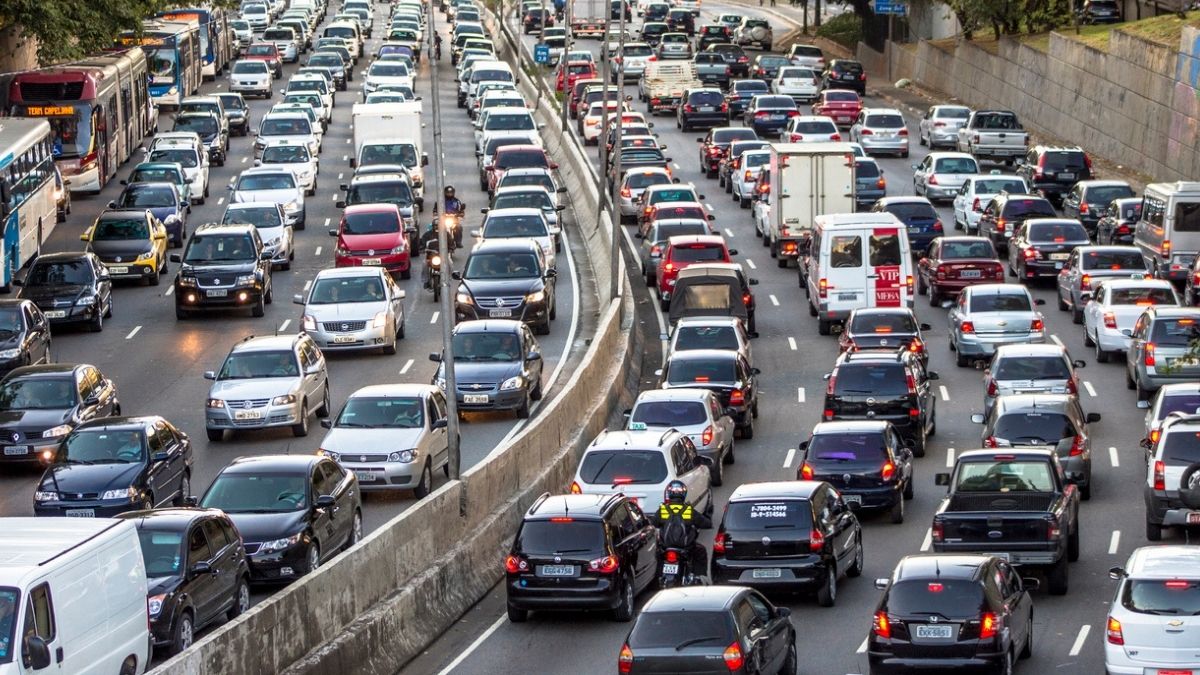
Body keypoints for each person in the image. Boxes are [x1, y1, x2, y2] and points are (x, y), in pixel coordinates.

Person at [651, 480, 707, 576]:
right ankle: (699, 577)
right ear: (684, 494)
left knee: (656, 555)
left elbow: (653, 523)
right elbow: (705, 522)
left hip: (665, 546)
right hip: (685, 547)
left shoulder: (663, 509)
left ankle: (656, 578)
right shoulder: (689, 510)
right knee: (701, 551)